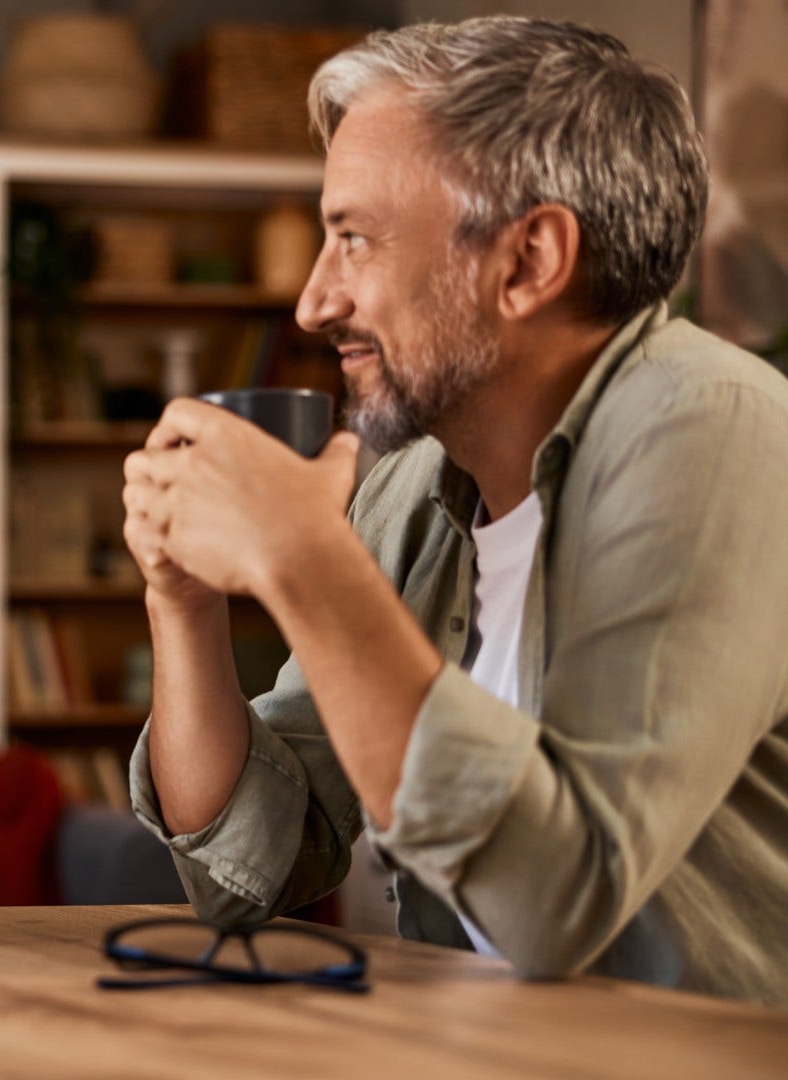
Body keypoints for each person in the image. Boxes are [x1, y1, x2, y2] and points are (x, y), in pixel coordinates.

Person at [121, 17, 788, 1003]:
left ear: (527, 262)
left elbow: (563, 893)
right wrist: (180, 599)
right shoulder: (411, 481)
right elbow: (252, 867)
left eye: (353, 239)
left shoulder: (717, 430)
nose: (312, 301)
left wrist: (307, 563)